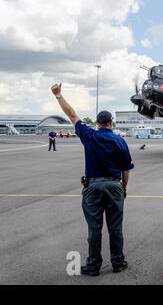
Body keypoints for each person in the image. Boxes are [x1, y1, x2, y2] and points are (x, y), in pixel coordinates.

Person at [50, 83, 134, 276]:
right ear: (111, 123)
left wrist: (58, 95)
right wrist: (124, 188)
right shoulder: (120, 141)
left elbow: (71, 114)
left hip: (93, 186)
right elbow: (126, 169)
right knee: (115, 227)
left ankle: (94, 265)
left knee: (94, 228)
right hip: (114, 186)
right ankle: (118, 262)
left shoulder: (89, 135)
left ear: (97, 122)